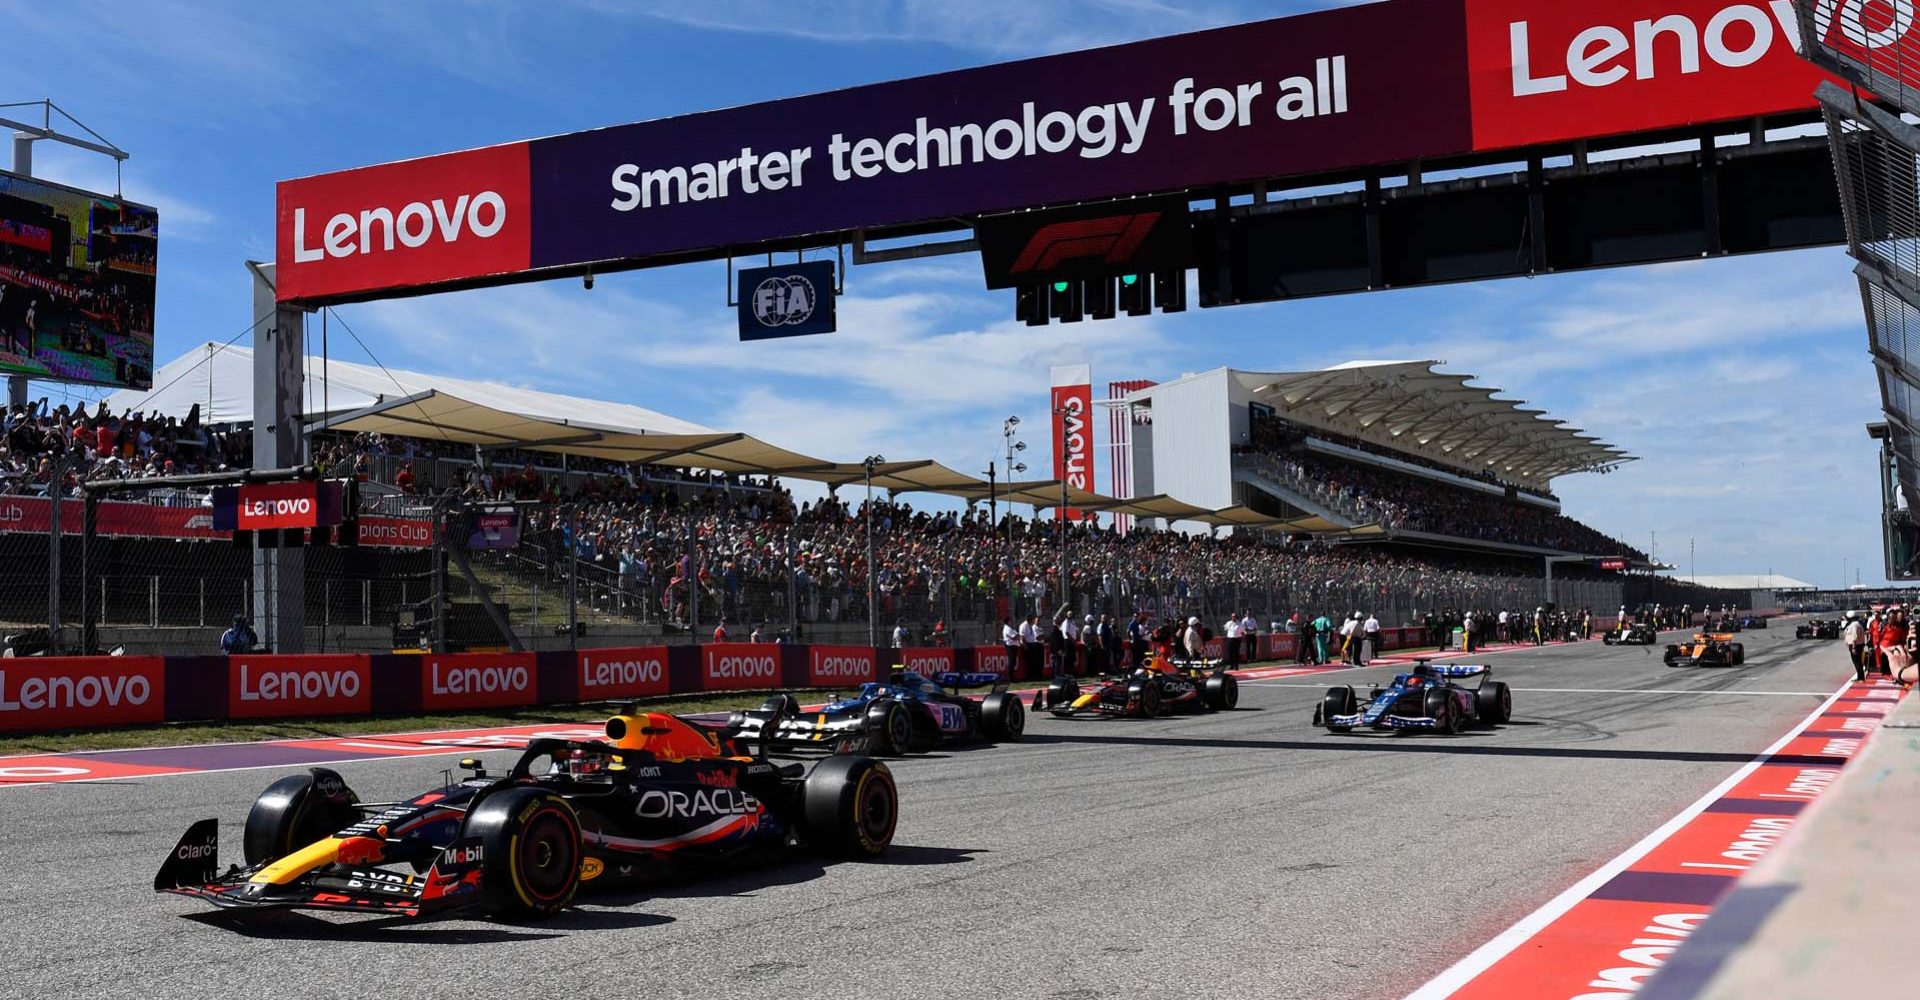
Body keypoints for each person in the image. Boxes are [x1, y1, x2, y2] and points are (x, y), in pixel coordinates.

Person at [1843, 612, 1868, 682]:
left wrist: (1853, 647)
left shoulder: (1854, 625)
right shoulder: (1857, 624)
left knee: (1857, 662)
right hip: (1858, 645)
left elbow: (1854, 636)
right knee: (1858, 661)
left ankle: (1861, 677)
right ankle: (1860, 676)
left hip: (1856, 645)